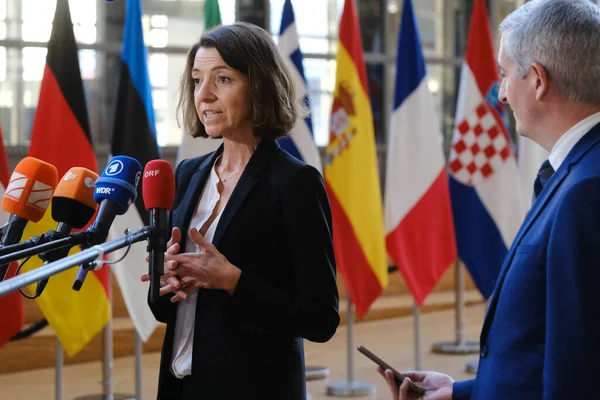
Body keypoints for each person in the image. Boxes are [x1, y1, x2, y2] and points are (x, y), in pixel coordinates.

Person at [381, 0, 600, 399]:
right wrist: (463, 393)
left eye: (503, 75)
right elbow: (538, 352)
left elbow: (579, 373)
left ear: (537, 79)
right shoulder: (575, 172)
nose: (500, 95)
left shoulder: (587, 190)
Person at [140, 22, 340, 400]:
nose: (205, 95)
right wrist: (167, 278)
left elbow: (320, 317)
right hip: (180, 386)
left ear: (259, 87)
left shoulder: (295, 183)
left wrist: (232, 280)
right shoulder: (187, 174)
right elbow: (165, 310)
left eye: (223, 79)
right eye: (197, 80)